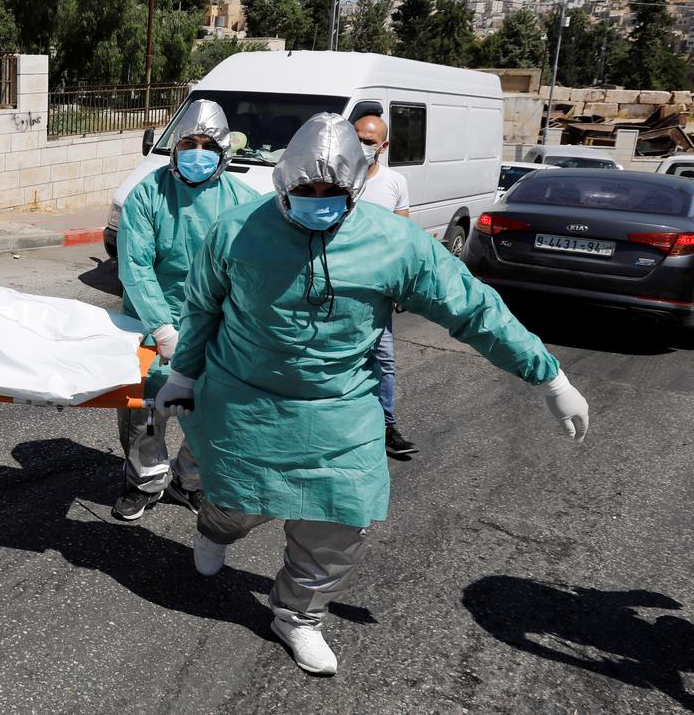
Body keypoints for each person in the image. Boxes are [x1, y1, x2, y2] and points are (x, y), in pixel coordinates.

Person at [155, 113, 588, 676]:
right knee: (238, 504)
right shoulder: (236, 230)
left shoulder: (394, 242)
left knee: (341, 518)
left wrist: (549, 377)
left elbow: (472, 309)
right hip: (246, 403)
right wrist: (184, 376)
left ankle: (298, 616)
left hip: (342, 409)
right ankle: (214, 529)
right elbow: (202, 308)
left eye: (331, 192)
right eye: (305, 191)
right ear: (283, 183)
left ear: (357, 186)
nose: (317, 202)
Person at [113, 99, 260, 521]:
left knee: (212, 412)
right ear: (174, 148)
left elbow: (255, 272)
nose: (198, 153)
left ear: (224, 152)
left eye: (208, 146)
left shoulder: (245, 202)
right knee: (144, 411)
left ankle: (189, 480)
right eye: (189, 144)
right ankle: (144, 483)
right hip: (152, 319)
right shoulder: (148, 194)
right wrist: (162, 328)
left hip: (218, 326)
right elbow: (136, 266)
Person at [353, 113, 417, 457]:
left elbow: (402, 238)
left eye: (369, 141)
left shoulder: (395, 182)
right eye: (356, 138)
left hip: (376, 290)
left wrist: (401, 286)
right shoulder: (336, 178)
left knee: (384, 361)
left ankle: (386, 426)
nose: (361, 145)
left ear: (384, 146)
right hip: (337, 286)